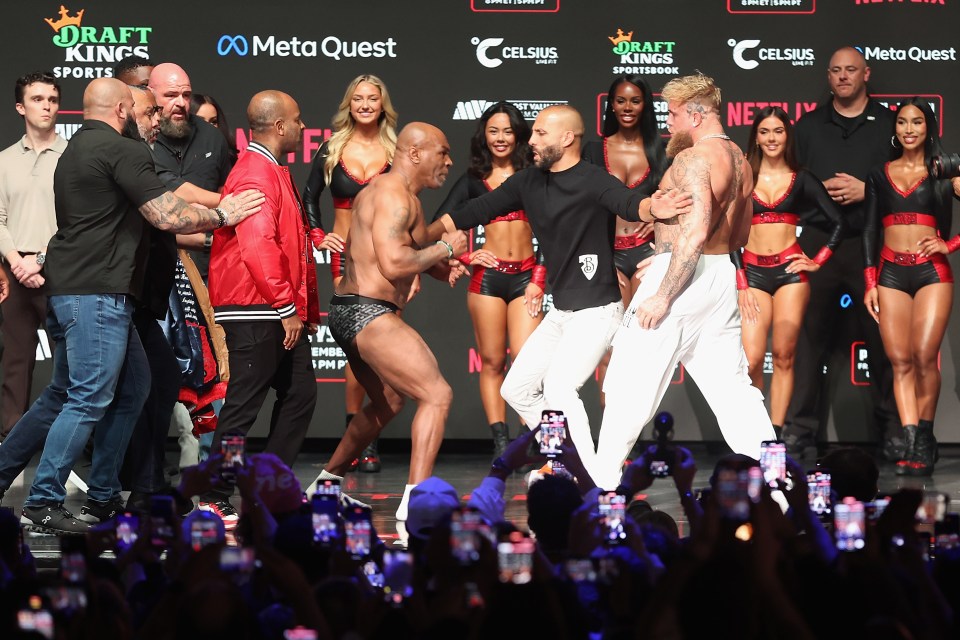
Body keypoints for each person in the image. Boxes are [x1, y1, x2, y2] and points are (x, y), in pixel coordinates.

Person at [0, 78, 263, 535]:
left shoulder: (74, 150)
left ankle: (99, 494)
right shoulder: (122, 151)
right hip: (97, 293)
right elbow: (165, 214)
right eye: (147, 112)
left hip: (76, 290)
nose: (155, 121)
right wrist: (224, 213)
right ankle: (42, 501)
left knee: (109, 388)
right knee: (87, 397)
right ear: (122, 109)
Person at [432, 104, 687, 485]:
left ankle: (594, 479)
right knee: (516, 389)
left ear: (567, 138)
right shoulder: (528, 182)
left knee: (559, 387)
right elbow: (473, 211)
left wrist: (655, 207)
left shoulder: (594, 179)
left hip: (599, 310)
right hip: (563, 312)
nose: (530, 140)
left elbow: (630, 204)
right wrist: (421, 234)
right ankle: (567, 457)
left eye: (539, 134)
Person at [594, 72, 776, 491]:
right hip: (719, 276)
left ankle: (601, 493)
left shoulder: (693, 159)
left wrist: (663, 289)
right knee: (734, 392)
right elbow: (740, 235)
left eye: (673, 115)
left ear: (695, 115)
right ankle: (777, 490)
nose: (669, 124)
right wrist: (666, 250)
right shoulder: (742, 161)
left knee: (626, 386)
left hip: (683, 280)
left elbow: (694, 232)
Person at [310, 122, 467, 522]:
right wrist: (446, 246)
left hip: (349, 309)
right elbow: (395, 262)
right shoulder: (395, 197)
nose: (449, 161)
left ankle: (325, 485)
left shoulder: (397, 196)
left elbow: (405, 251)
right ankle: (417, 502)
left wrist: (438, 264)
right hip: (368, 312)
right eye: (442, 152)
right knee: (437, 394)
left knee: (389, 400)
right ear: (414, 153)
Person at [200, 91, 322, 527]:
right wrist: (286, 304)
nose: (304, 127)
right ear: (280, 127)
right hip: (256, 306)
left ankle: (268, 487)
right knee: (241, 409)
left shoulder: (271, 169)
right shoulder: (255, 173)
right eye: (298, 120)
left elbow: (289, 238)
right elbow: (257, 246)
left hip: (272, 305)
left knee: (301, 392)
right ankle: (214, 493)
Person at [783, 46, 899, 462]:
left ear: (866, 73)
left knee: (886, 344)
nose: (843, 77)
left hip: (873, 245)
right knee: (808, 341)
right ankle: (798, 433)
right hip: (818, 245)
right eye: (836, 71)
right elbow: (787, 182)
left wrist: (866, 192)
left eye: (851, 70)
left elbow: (909, 184)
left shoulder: (890, 124)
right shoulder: (809, 126)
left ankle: (893, 433)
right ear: (828, 77)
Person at [433, 101, 542, 459]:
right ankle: (501, 443)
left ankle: (531, 443)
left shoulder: (535, 175)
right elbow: (435, 229)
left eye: (508, 130)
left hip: (527, 276)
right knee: (492, 362)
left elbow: (558, 228)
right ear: (484, 135)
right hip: (487, 282)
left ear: (519, 135)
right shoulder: (472, 181)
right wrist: (464, 256)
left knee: (527, 363)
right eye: (493, 130)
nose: (500, 138)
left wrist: (539, 277)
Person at [303, 74, 398, 473]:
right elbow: (309, 196)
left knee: (383, 348)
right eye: (357, 98)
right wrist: (318, 235)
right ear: (349, 104)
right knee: (356, 348)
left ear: (382, 104)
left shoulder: (396, 151)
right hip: (346, 258)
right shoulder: (332, 148)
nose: (364, 104)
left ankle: (370, 433)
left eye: (371, 98)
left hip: (384, 257)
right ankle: (357, 436)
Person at [862, 98, 960, 476]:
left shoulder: (944, 172)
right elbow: (870, 229)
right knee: (900, 360)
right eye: (902, 122)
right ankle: (912, 442)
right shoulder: (879, 173)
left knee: (923, 356)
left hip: (932, 272)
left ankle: (926, 434)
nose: (908, 129)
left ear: (928, 127)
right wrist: (870, 280)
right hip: (889, 273)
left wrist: (949, 245)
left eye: (916, 122)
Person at [734, 107, 844, 435]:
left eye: (778, 131)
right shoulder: (743, 177)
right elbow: (728, 233)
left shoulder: (803, 179)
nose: (771, 138)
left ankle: (776, 435)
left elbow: (838, 221)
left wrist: (817, 259)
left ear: (787, 136)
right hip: (752, 273)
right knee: (752, 359)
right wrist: (739, 277)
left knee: (783, 355)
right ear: (756, 135)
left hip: (790, 275)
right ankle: (754, 430)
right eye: (765, 131)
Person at [582, 75, 668, 406]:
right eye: (620, 100)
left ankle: (633, 443)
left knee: (641, 349)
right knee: (611, 348)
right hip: (608, 257)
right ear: (611, 105)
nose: (627, 107)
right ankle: (614, 450)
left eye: (635, 100)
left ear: (645, 105)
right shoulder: (592, 151)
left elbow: (680, 205)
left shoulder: (661, 152)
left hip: (647, 257)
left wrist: (659, 224)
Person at [0, 72, 65, 437]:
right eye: (38, 99)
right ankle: (10, 443)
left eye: (52, 100)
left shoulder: (73, 156)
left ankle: (69, 442)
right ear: (21, 107)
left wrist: (39, 259)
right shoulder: (4, 160)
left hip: (62, 268)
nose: (47, 106)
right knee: (15, 361)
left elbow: (77, 220)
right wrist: (16, 262)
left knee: (70, 364)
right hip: (15, 270)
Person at [190, 92, 239, 164]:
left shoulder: (226, 159)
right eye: (200, 121)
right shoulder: (175, 159)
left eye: (213, 122)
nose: (208, 127)